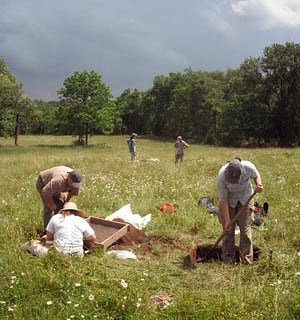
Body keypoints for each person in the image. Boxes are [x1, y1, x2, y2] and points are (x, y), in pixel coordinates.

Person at [217, 158, 264, 264]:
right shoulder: (221, 177)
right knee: (228, 231)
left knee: (245, 230)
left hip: (246, 198)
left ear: (242, 172)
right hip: (229, 201)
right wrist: (228, 221)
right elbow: (223, 201)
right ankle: (228, 259)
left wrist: (259, 185)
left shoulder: (248, 167)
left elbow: (257, 176)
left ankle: (246, 260)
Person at [36, 166, 83, 231]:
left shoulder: (76, 183)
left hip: (55, 186)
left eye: (75, 185)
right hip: (43, 182)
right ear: (68, 178)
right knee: (49, 208)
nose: (73, 186)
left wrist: (66, 202)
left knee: (61, 205)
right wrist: (51, 204)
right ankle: (47, 231)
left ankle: (60, 227)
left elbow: (71, 193)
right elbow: (45, 192)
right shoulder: (58, 180)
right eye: (72, 184)